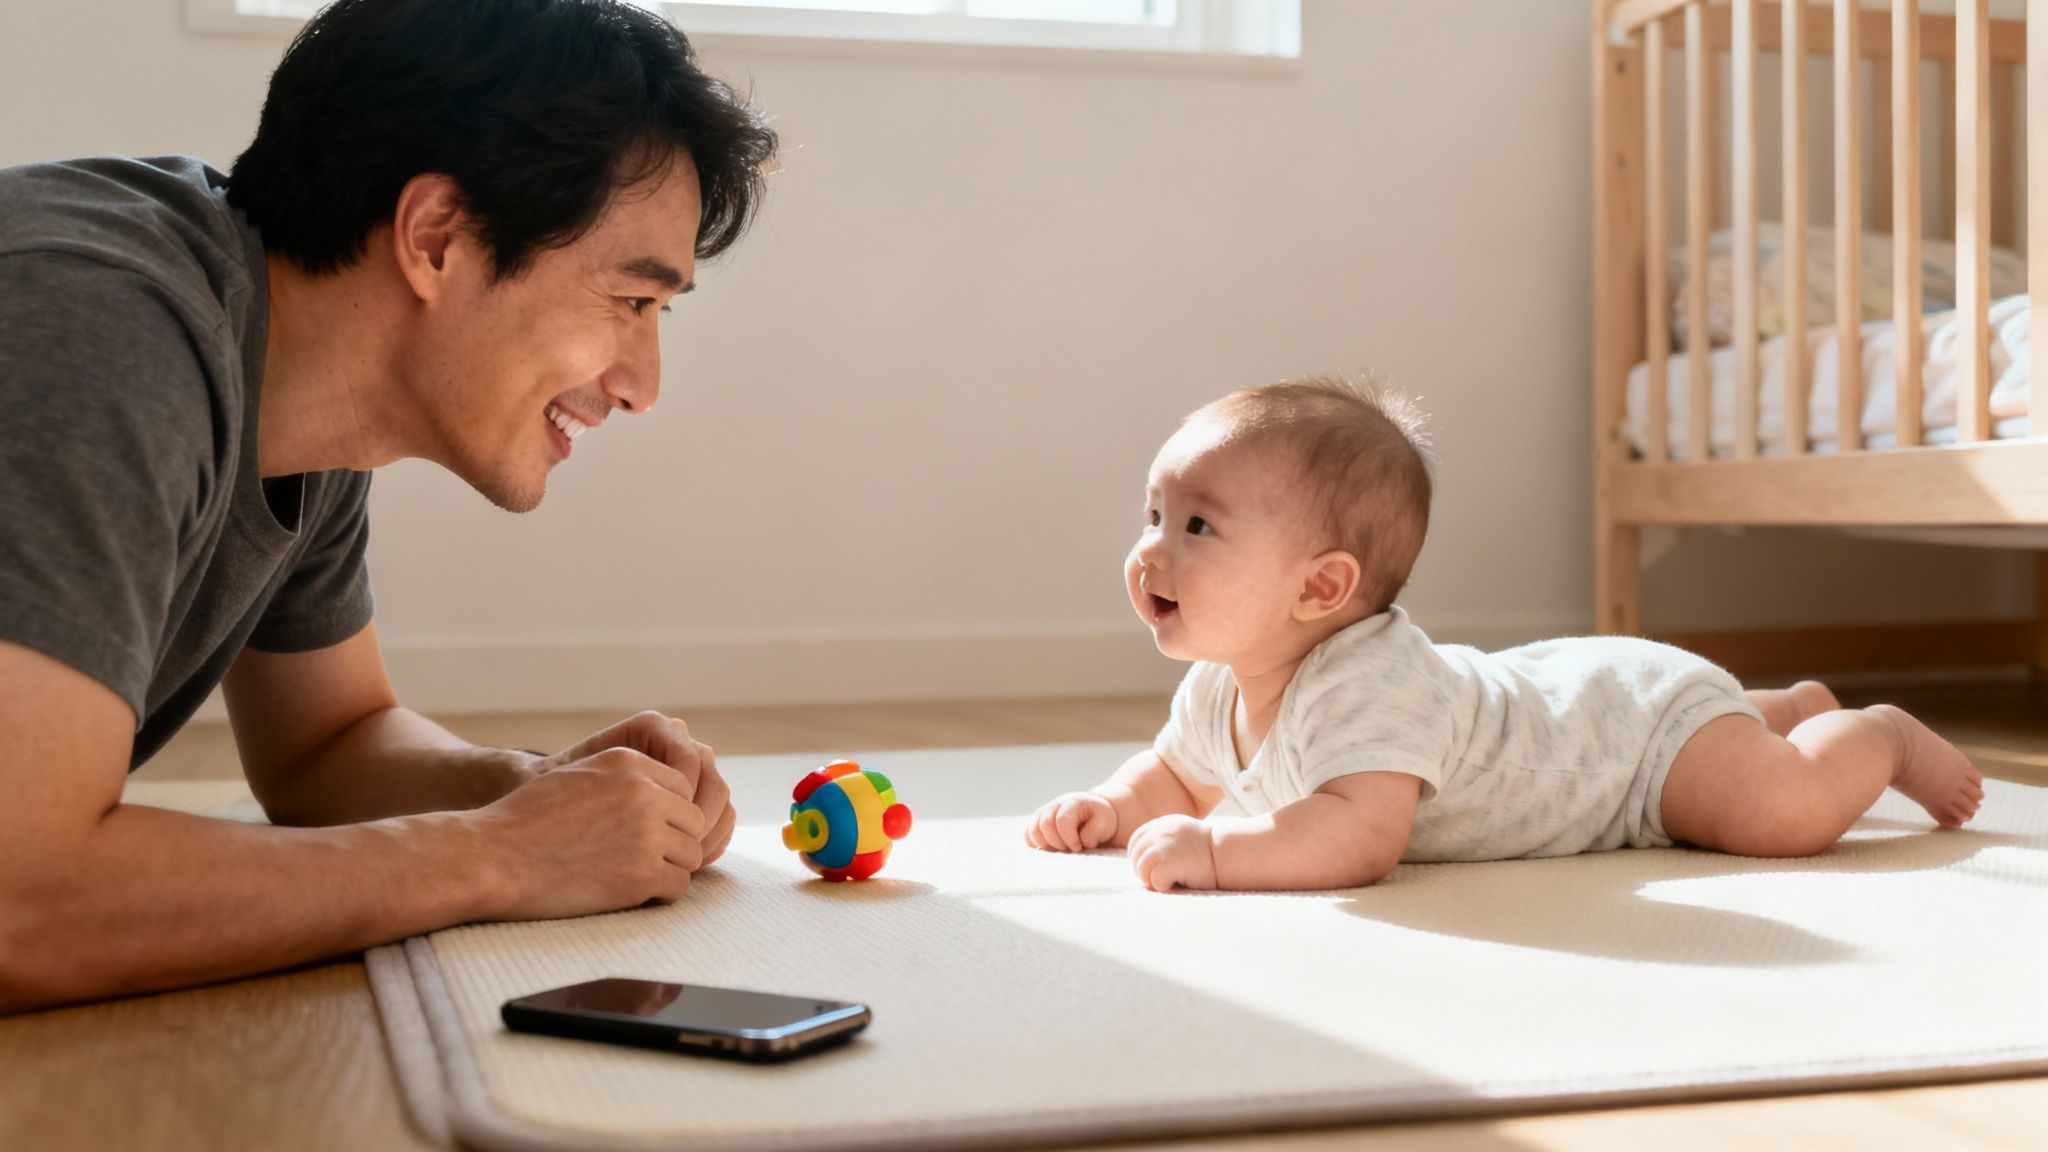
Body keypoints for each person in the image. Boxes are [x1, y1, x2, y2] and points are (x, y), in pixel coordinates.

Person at [0, 0, 778, 1013]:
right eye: (630, 302)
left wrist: (534, 792)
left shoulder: (292, 375)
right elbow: (23, 898)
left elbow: (327, 748)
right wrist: (498, 854)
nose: (641, 382)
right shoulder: (95, 329)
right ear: (437, 237)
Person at [1025, 376, 1985, 892]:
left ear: (1322, 587)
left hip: (1633, 741)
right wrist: (1113, 806)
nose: (1152, 550)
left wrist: (1222, 856)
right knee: (1740, 751)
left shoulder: (1370, 683)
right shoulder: (1221, 682)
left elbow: (1357, 837)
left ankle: (1873, 733)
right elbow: (1181, 774)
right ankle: (1779, 711)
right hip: (1574, 690)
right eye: (1154, 514)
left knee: (1774, 819)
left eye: (1196, 527)